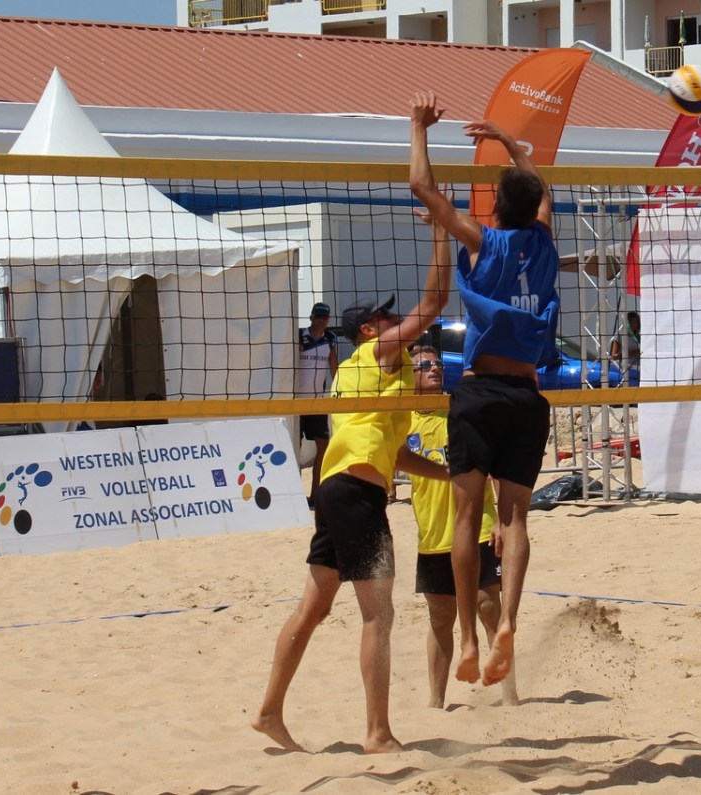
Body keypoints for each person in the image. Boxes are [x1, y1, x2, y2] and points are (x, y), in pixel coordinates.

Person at [252, 207, 453, 754]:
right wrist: (442, 228)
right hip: (356, 497)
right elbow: (435, 302)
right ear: (369, 330)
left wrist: (445, 472)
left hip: (338, 491)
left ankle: (269, 712)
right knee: (378, 615)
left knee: (313, 608)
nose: (396, 321)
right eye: (386, 317)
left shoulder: (370, 375)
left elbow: (396, 453)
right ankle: (378, 734)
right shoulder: (378, 354)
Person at [408, 90, 560, 688]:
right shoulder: (543, 241)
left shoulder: (482, 241)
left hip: (479, 395)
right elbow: (540, 188)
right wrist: (508, 142)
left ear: (495, 205)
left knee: (466, 519)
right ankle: (508, 623)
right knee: (516, 520)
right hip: (526, 396)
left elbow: (422, 187)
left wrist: (419, 127)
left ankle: (470, 639)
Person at [406, 344, 519, 708]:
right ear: (409, 375)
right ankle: (435, 703)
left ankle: (510, 697)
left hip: (477, 526)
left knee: (488, 607)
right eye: (425, 365)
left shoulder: (460, 409)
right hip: (433, 533)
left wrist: (502, 519)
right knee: (441, 617)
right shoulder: (401, 419)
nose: (434, 368)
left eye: (437, 363)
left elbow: (497, 465)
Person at [295, 302, 338, 508]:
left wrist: (339, 389)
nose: (321, 320)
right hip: (296, 401)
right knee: (295, 446)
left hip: (317, 401)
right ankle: (295, 495)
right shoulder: (299, 335)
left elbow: (333, 365)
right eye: (318, 316)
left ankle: (315, 495)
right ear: (311, 317)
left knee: (323, 446)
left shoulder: (330, 338)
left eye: (324, 317)